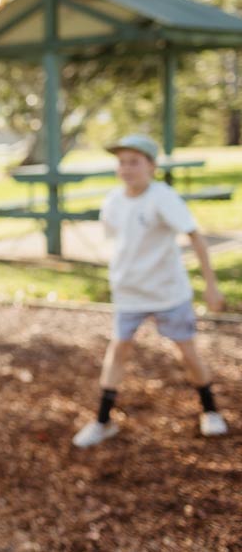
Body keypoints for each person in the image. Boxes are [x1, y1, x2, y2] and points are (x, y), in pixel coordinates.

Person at [72, 134, 227, 448]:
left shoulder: (162, 197)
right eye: (122, 162)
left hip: (167, 293)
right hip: (129, 293)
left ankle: (210, 411)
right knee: (118, 350)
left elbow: (195, 237)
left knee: (187, 352)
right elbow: (120, 243)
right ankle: (102, 421)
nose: (127, 169)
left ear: (151, 166)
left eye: (134, 162)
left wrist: (211, 285)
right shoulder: (113, 201)